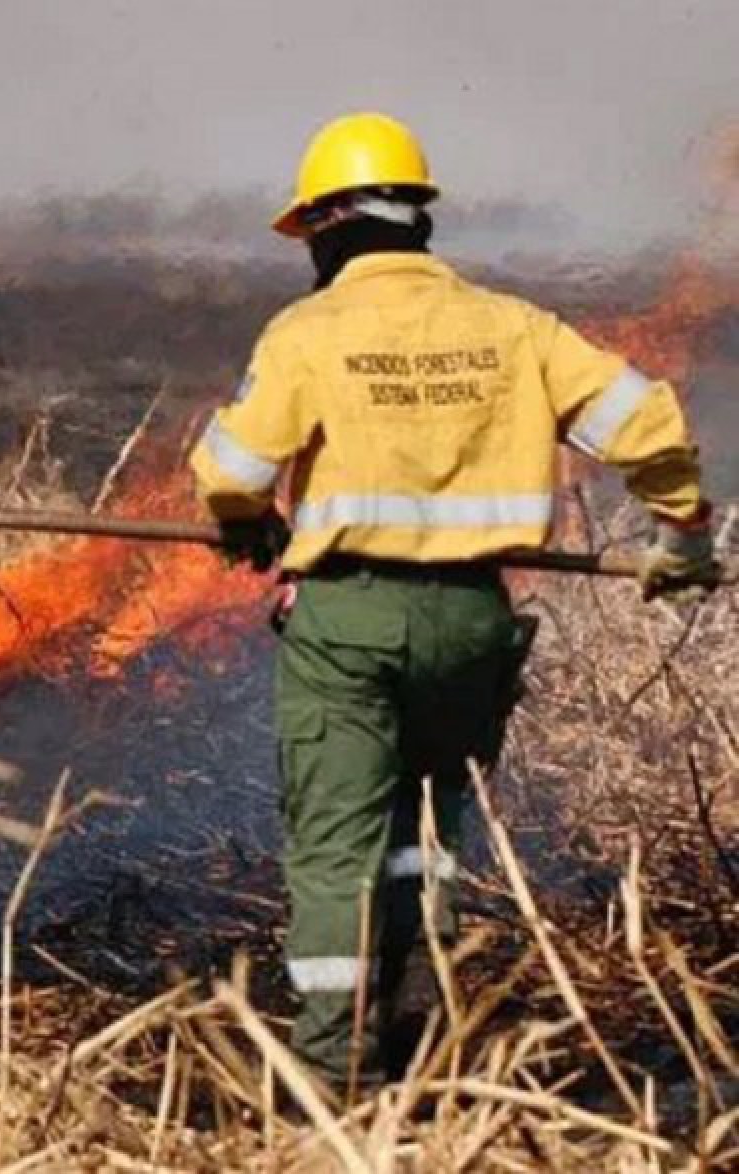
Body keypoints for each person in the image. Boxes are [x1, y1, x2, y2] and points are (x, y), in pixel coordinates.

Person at [188, 111, 723, 1090]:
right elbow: (647, 422)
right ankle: (425, 1026)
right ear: (417, 221)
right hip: (475, 624)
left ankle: (332, 1085)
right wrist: (680, 537)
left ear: (334, 222)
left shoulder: (313, 330)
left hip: (350, 621)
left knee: (338, 846)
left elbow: (230, 471)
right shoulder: (514, 326)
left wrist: (250, 523)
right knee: (427, 832)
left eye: (311, 234)